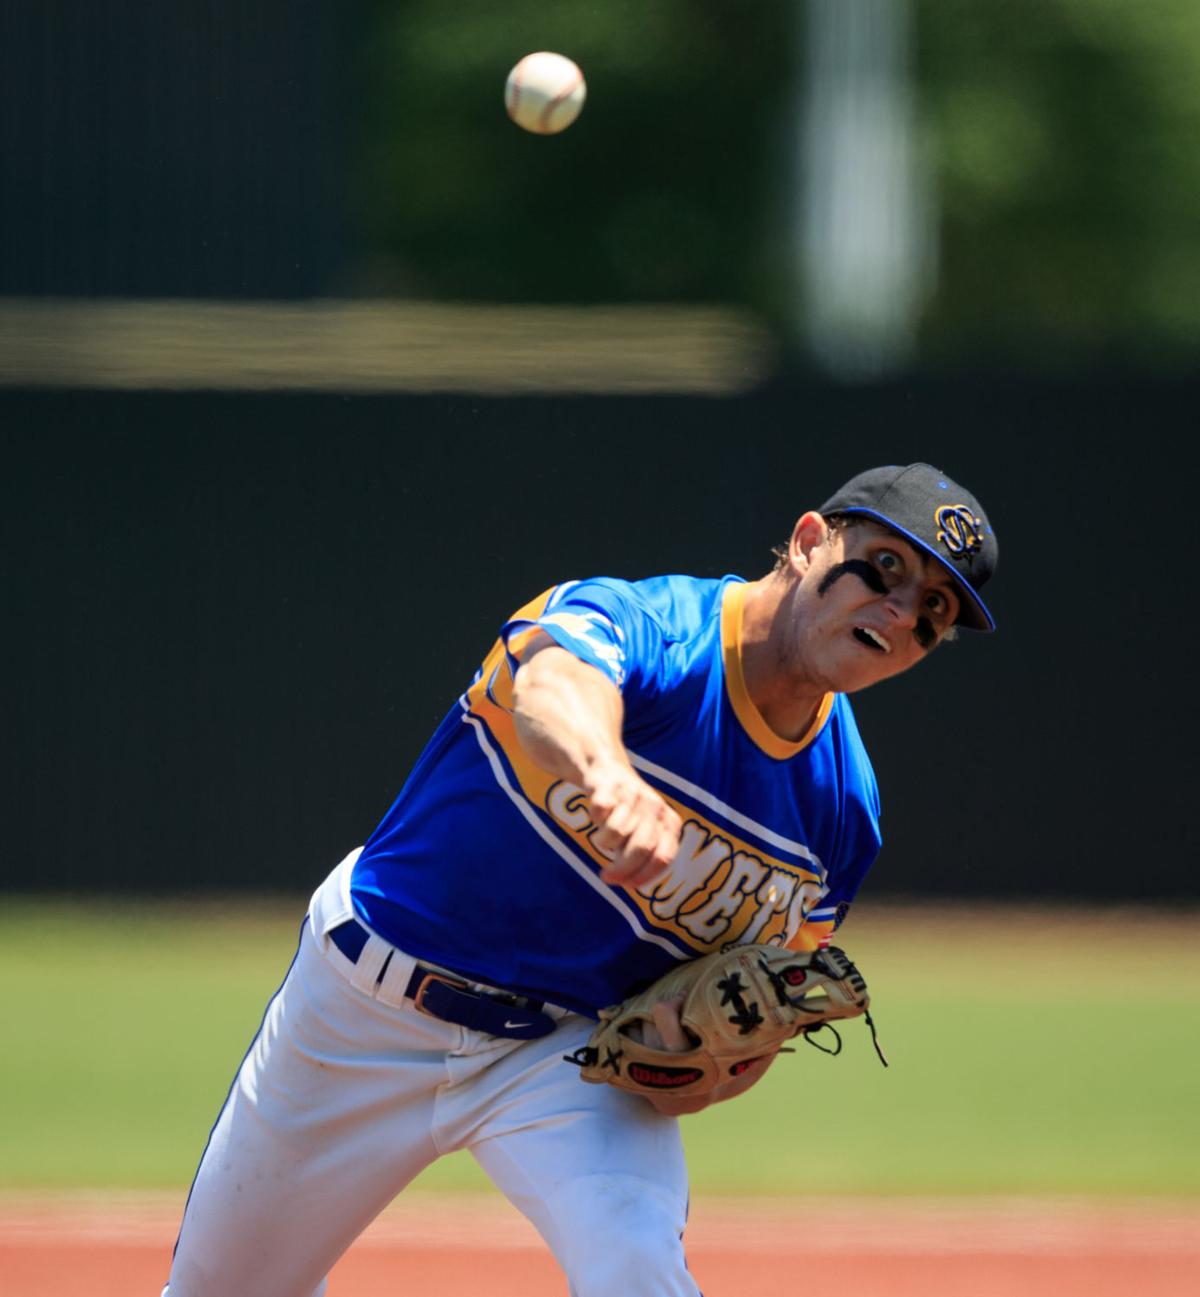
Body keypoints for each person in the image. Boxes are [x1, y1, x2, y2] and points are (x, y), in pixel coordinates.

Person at [163, 462, 998, 1297]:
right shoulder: (655, 627)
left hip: (564, 1055)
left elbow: (758, 1004)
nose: (900, 611)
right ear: (810, 541)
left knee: (638, 1268)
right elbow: (549, 683)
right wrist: (605, 771)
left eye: (933, 610)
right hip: (365, 1006)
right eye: (885, 567)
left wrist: (712, 1064)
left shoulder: (842, 811)